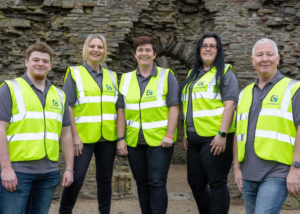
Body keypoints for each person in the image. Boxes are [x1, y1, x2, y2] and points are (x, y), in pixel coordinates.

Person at [0, 42, 74, 214]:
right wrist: (6, 168)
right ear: (26, 62)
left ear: (50, 65)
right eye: (36, 60)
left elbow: (66, 134)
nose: (40, 64)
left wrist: (69, 168)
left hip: (49, 174)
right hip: (18, 173)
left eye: (45, 61)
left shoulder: (60, 94)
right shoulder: (9, 89)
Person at [234, 38, 300, 214]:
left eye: (270, 54)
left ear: (278, 58)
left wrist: (296, 168)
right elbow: (237, 133)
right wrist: (236, 169)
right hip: (248, 175)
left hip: (277, 173)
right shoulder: (244, 93)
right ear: (252, 60)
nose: (265, 59)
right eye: (260, 55)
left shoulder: (293, 88)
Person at [117, 36, 179, 214]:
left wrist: (169, 134)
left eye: (148, 50)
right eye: (140, 50)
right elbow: (121, 111)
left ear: (154, 54)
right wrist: (120, 139)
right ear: (135, 54)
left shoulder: (167, 76)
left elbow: (174, 107)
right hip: (134, 141)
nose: (144, 53)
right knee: (141, 183)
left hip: (160, 141)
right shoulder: (126, 79)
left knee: (157, 182)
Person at [59, 34, 119, 214]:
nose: (96, 50)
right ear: (86, 49)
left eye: (100, 47)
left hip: (108, 136)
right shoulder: (74, 73)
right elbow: (68, 105)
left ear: (104, 51)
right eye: (92, 46)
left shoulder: (113, 76)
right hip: (82, 137)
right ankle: (64, 211)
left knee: (105, 179)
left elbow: (118, 107)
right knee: (76, 178)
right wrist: (74, 136)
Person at [179, 33, 238, 214]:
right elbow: (189, 106)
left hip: (215, 138)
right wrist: (187, 134)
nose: (208, 49)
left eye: (212, 46)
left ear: (218, 50)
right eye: (204, 45)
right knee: (196, 183)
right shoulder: (192, 74)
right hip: (194, 138)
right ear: (199, 50)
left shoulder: (225, 72)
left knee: (217, 183)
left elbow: (230, 105)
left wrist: (222, 134)